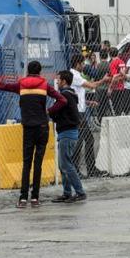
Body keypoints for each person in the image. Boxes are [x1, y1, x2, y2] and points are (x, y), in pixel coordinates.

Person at [0, 60, 67, 208]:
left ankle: (23, 198)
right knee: (38, 163)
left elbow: (3, 86)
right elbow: (62, 100)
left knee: (26, 163)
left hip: (28, 127)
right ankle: (35, 198)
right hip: (42, 126)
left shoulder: (21, 85)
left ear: (28, 71)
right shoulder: (44, 85)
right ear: (40, 71)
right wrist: (49, 111)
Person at [70, 54, 110, 178]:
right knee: (82, 140)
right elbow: (92, 86)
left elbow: (76, 96)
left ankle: (90, 168)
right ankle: (79, 169)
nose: (84, 66)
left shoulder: (76, 76)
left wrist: (87, 102)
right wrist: (103, 80)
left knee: (87, 139)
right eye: (82, 64)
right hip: (78, 114)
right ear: (77, 64)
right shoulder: (74, 76)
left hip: (80, 112)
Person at [49, 70, 85, 203]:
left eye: (58, 79)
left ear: (64, 81)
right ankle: (67, 193)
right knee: (63, 165)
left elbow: (55, 112)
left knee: (67, 165)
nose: (57, 82)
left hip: (67, 133)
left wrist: (51, 113)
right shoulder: (69, 94)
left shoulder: (64, 96)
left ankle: (80, 192)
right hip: (67, 133)